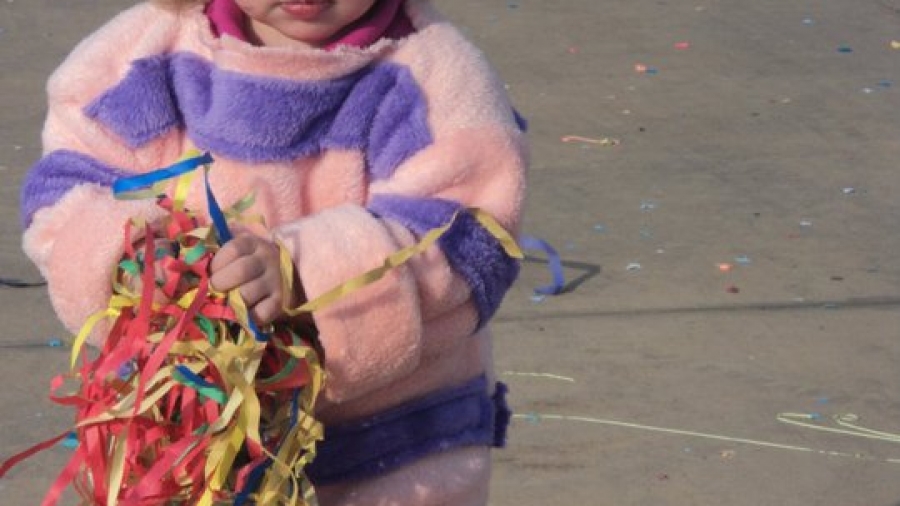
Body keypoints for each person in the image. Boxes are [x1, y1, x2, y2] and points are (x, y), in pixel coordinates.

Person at [19, 0, 528, 504]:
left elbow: (472, 243)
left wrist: (306, 272)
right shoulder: (143, 56)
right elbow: (67, 183)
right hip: (196, 443)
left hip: (391, 451)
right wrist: (134, 261)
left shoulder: (431, 74)